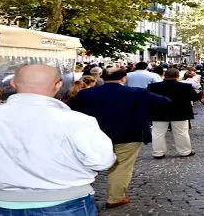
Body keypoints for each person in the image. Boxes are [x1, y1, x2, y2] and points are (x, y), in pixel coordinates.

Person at [0, 64, 115, 215]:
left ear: (13, 83)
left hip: (6, 203)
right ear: (58, 85)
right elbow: (102, 160)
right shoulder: (77, 120)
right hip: (66, 200)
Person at [70, 68, 169, 209]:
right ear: (123, 78)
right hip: (129, 134)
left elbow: (74, 112)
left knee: (87, 165)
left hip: (95, 135)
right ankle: (115, 198)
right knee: (121, 167)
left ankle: (78, 195)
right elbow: (164, 102)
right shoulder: (137, 93)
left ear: (102, 77)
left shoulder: (85, 94)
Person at [147, 68, 200, 159]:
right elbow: (194, 97)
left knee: (158, 133)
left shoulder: (153, 86)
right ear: (177, 76)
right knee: (181, 133)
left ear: (164, 75)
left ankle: (158, 153)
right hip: (180, 112)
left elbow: (148, 99)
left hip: (159, 112)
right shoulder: (185, 87)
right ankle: (185, 151)